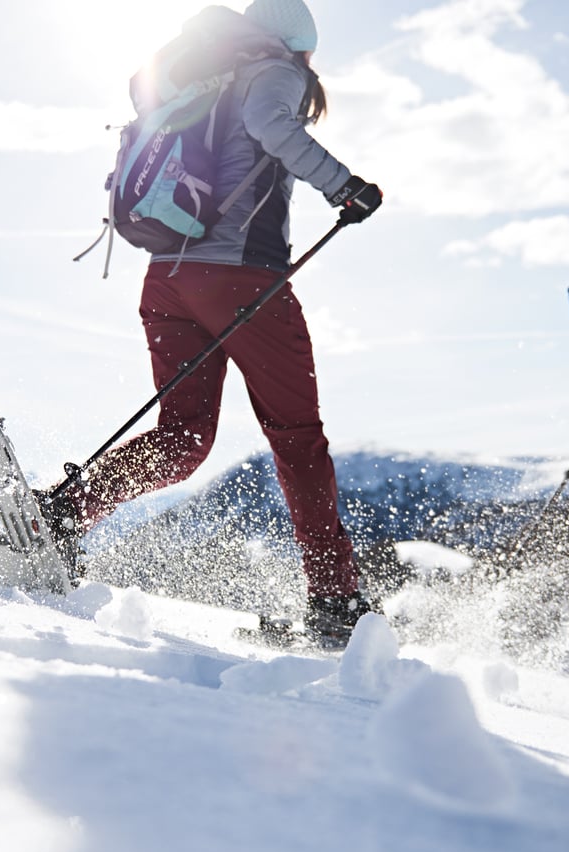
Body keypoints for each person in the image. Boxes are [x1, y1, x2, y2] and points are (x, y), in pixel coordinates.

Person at [43, 0, 383, 647]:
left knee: (183, 438)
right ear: (298, 44)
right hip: (241, 281)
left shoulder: (194, 75)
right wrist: (345, 187)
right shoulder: (274, 70)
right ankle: (336, 599)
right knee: (297, 439)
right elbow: (270, 123)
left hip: (167, 278)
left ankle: (63, 514)